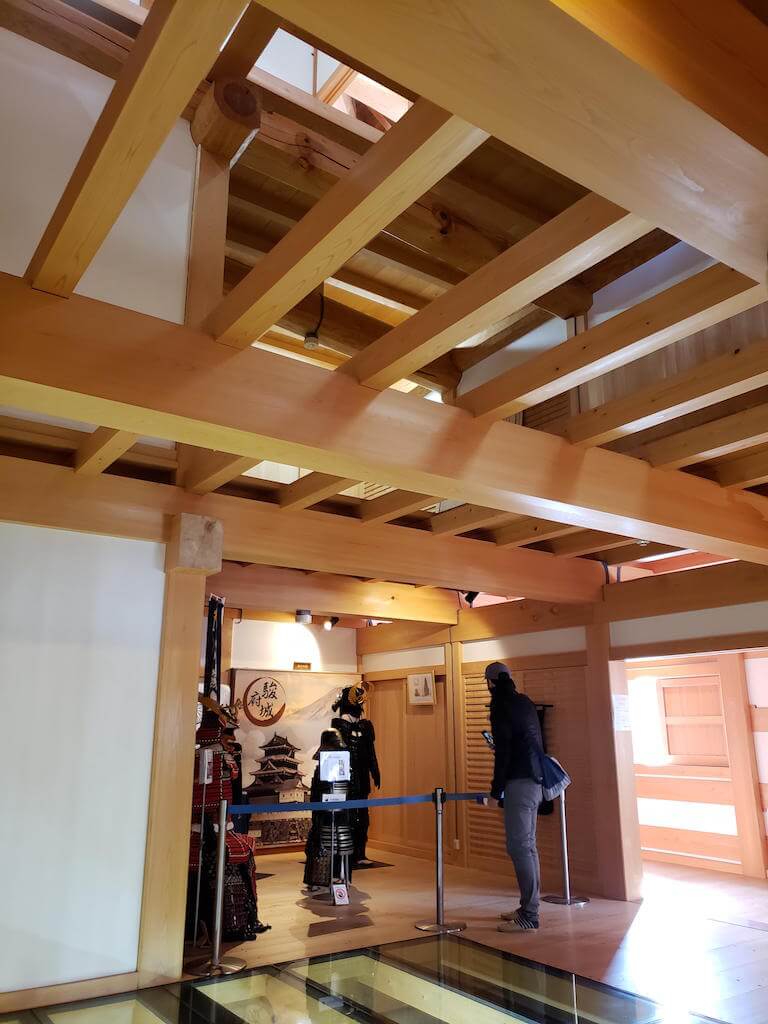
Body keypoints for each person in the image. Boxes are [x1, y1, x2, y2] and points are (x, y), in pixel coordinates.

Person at [487, 661, 544, 932]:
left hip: (518, 783)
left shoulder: (500, 706)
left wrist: (495, 790)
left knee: (519, 847)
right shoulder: (524, 701)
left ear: (490, 683)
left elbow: (504, 753)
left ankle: (529, 915)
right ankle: (527, 907)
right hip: (535, 779)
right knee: (528, 846)